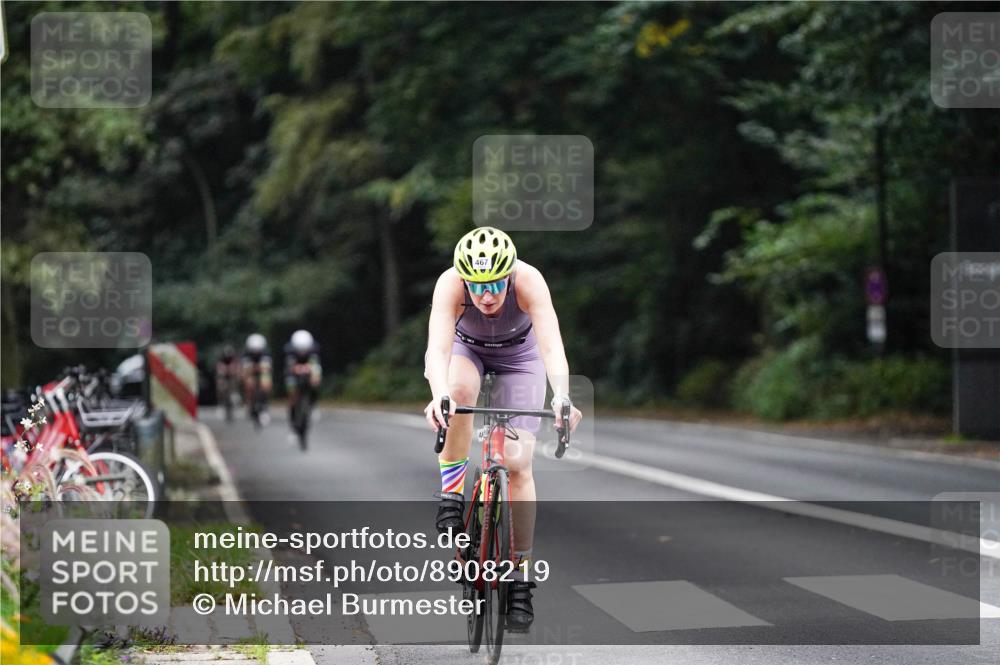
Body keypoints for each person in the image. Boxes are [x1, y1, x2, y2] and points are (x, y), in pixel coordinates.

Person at [423, 226, 582, 631]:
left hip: (520, 360)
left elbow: (551, 347)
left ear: (509, 275)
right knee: (457, 392)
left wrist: (561, 396)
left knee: (518, 463)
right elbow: (437, 350)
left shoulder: (529, 280)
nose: (487, 295)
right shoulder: (449, 284)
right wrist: (440, 395)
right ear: (464, 279)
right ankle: (451, 495)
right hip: (467, 352)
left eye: (495, 283)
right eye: (477, 286)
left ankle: (521, 578)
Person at [283, 329, 322, 429]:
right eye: (300, 350)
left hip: (308, 370)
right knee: (292, 391)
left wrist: (312, 374)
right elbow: (289, 367)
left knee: (316, 381)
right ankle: (292, 412)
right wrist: (297, 369)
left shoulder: (314, 350)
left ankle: (313, 404)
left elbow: (315, 365)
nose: (302, 352)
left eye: (304, 350)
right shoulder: (289, 351)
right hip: (292, 374)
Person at [242, 333, 272, 426]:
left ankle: (264, 405)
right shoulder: (246, 355)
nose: (256, 353)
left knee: (266, 384)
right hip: (251, 373)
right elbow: (245, 370)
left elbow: (267, 369)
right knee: (248, 384)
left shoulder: (266, 354)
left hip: (262, 373)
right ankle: (249, 404)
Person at [215, 345, 241, 421]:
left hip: (232, 378)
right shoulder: (221, 361)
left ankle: (235, 400)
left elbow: (238, 370)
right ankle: (221, 404)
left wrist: (236, 373)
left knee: (234, 388)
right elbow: (220, 371)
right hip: (224, 377)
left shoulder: (235, 360)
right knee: (221, 387)